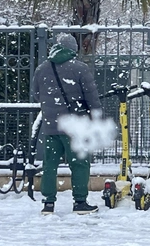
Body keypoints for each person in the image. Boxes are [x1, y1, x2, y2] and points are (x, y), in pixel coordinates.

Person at [32, 32, 102, 215]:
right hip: (74, 126)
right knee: (79, 163)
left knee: (50, 164)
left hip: (51, 126)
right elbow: (91, 97)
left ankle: (48, 203)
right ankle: (80, 202)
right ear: (73, 49)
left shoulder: (42, 69)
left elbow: (37, 95)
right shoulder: (80, 68)